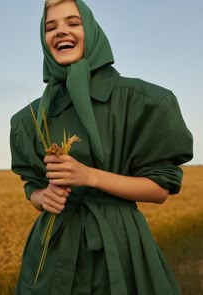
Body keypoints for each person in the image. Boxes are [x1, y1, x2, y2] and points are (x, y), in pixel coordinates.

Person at [10, 0, 193, 294]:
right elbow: (31, 187)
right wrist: (43, 197)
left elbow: (160, 190)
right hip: (50, 257)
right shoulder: (28, 120)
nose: (60, 32)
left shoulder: (140, 101)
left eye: (73, 23)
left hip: (119, 250)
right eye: (50, 27)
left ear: (92, 31)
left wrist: (89, 176)